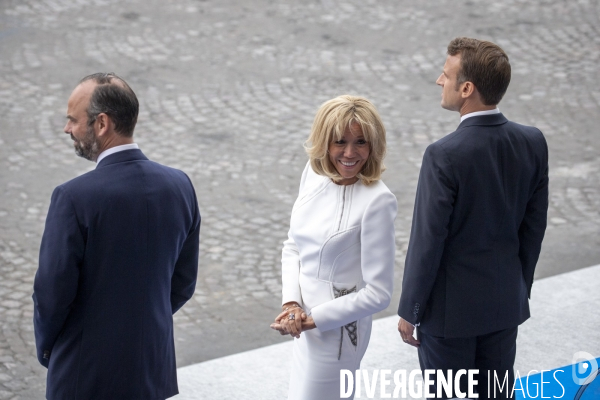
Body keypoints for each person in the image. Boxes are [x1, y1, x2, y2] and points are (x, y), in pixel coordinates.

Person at [32, 73, 201, 400]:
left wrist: (50, 351)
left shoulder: (73, 197)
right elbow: (183, 282)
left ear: (102, 124)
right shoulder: (180, 185)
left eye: (73, 120)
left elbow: (52, 291)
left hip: (85, 374)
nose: (67, 129)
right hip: (152, 368)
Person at [397, 37, 549, 399]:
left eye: (446, 74)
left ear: (466, 89)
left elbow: (427, 241)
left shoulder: (443, 155)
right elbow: (533, 228)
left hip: (450, 320)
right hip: (504, 307)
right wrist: (516, 288)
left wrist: (410, 309)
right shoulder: (533, 142)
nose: (439, 80)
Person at [270, 95, 397, 400]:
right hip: (302, 324)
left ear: (373, 145)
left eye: (361, 142)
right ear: (324, 142)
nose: (350, 153)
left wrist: (312, 320)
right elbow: (293, 246)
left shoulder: (378, 200)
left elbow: (379, 294)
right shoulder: (313, 174)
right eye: (340, 141)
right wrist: (291, 306)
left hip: (338, 334)